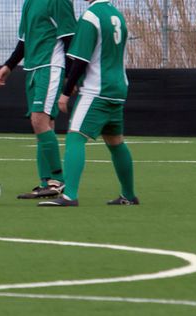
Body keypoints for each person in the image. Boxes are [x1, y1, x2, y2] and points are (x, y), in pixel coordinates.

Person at [40, 0, 136, 207]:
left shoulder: (91, 16)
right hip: (118, 88)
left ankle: (69, 196)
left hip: (96, 90)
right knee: (115, 141)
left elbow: (80, 60)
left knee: (75, 137)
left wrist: (66, 92)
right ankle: (128, 195)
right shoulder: (117, 15)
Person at [0, 0, 77, 200]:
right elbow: (24, 41)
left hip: (50, 67)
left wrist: (71, 77)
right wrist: (9, 66)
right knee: (43, 125)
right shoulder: (30, 3)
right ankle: (45, 183)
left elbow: (69, 40)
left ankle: (58, 181)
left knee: (38, 120)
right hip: (32, 70)